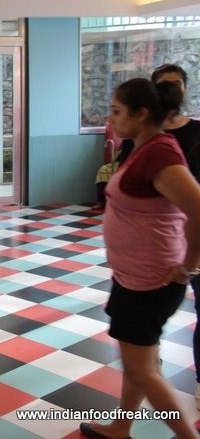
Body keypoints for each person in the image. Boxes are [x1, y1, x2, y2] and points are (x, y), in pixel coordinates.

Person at [79, 77, 200, 439]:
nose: (111, 118)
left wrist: (188, 266)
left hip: (151, 282)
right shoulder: (142, 148)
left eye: (117, 111)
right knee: (136, 364)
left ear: (142, 114)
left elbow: (198, 209)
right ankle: (121, 427)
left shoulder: (160, 154)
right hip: (134, 277)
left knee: (143, 370)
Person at [152, 63, 200, 409]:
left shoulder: (197, 132)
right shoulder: (145, 135)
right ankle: (147, 366)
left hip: (194, 234)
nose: (171, 91)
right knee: (149, 312)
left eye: (176, 85)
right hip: (158, 240)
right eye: (164, 85)